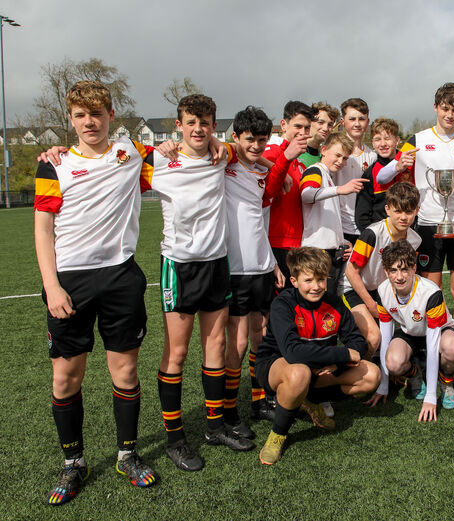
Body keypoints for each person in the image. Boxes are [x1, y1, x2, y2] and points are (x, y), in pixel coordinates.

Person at [34, 80, 156, 504]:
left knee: (124, 373)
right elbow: (43, 229)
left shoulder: (133, 153)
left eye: (97, 114)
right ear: (71, 119)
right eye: (80, 115)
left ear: (110, 117)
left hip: (121, 277)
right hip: (71, 281)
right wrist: (52, 286)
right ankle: (73, 464)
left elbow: (185, 154)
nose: (90, 122)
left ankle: (127, 455)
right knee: (66, 376)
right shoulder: (54, 163)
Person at [146, 94, 257, 471]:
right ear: (178, 124)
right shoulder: (158, 160)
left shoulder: (221, 153)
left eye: (205, 122)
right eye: (191, 122)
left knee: (216, 343)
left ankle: (213, 427)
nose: (198, 129)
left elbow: (244, 149)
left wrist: (216, 143)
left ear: (213, 124)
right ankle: (174, 439)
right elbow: (115, 160)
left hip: (216, 264)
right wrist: (57, 152)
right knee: (176, 353)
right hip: (178, 266)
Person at [253, 247, 380, 465]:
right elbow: (293, 352)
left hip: (318, 370)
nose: (316, 286)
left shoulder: (334, 302)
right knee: (299, 372)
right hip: (277, 366)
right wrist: (340, 354)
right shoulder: (283, 304)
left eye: (321, 279)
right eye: (308, 280)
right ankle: (278, 434)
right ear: (294, 281)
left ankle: (309, 401)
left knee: (372, 375)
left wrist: (336, 363)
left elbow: (357, 343)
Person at [221, 106, 303, 438]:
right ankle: (227, 411)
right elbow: (217, 147)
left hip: (260, 264)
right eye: (249, 139)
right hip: (235, 269)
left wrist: (270, 263)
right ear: (236, 137)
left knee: (259, 337)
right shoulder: (223, 162)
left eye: (261, 140)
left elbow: (264, 207)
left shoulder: (257, 169)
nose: (255, 145)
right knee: (237, 343)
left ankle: (259, 401)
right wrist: (281, 157)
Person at [376, 82, 454, 322]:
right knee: (432, 290)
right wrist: (397, 165)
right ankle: (437, 335)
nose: (450, 115)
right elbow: (382, 177)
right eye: (445, 108)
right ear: (435, 107)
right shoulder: (417, 139)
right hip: (427, 222)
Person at [367, 240, 454, 421]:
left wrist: (431, 397)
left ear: (414, 268)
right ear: (386, 271)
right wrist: (383, 385)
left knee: (452, 347)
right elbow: (385, 338)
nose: (399, 276)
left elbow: (433, 345)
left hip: (439, 332)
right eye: (393, 270)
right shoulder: (382, 291)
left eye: (405, 269)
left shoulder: (430, 292)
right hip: (409, 332)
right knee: (393, 362)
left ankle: (445, 382)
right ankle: (415, 374)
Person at [344, 182, 422, 357]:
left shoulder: (415, 240)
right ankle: (361, 375)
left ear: (417, 210)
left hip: (383, 292)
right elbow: (350, 271)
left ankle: (397, 370)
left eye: (409, 212)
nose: (403, 217)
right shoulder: (372, 233)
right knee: (374, 337)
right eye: (398, 211)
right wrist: (371, 305)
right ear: (387, 209)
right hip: (354, 289)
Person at [299, 132, 368, 298]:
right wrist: (341, 189)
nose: (341, 162)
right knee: (319, 304)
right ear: (324, 150)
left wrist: (341, 241)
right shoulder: (315, 170)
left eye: (344, 158)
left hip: (329, 252)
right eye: (337, 155)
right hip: (316, 252)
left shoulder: (328, 177)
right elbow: (306, 194)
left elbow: (327, 218)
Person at [264, 101, 314, 282]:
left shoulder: (300, 162)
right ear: (283, 125)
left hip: (296, 244)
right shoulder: (271, 153)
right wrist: (284, 159)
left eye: (307, 128)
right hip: (275, 242)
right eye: (298, 126)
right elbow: (266, 193)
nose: (303, 133)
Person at [354, 118, 410, 231]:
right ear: (373, 143)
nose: (383, 144)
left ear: (397, 140)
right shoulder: (369, 174)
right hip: (382, 237)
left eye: (387, 138)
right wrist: (373, 238)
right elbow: (362, 216)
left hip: (410, 234)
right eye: (377, 139)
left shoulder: (410, 165)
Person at [338, 98, 377, 244]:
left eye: (361, 119)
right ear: (342, 122)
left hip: (364, 227)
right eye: (352, 119)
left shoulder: (372, 156)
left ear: (367, 122)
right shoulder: (334, 153)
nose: (357, 123)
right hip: (339, 227)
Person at [298, 102, 339, 169]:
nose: (325, 128)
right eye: (320, 122)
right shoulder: (294, 152)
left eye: (330, 125)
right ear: (309, 122)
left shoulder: (325, 157)